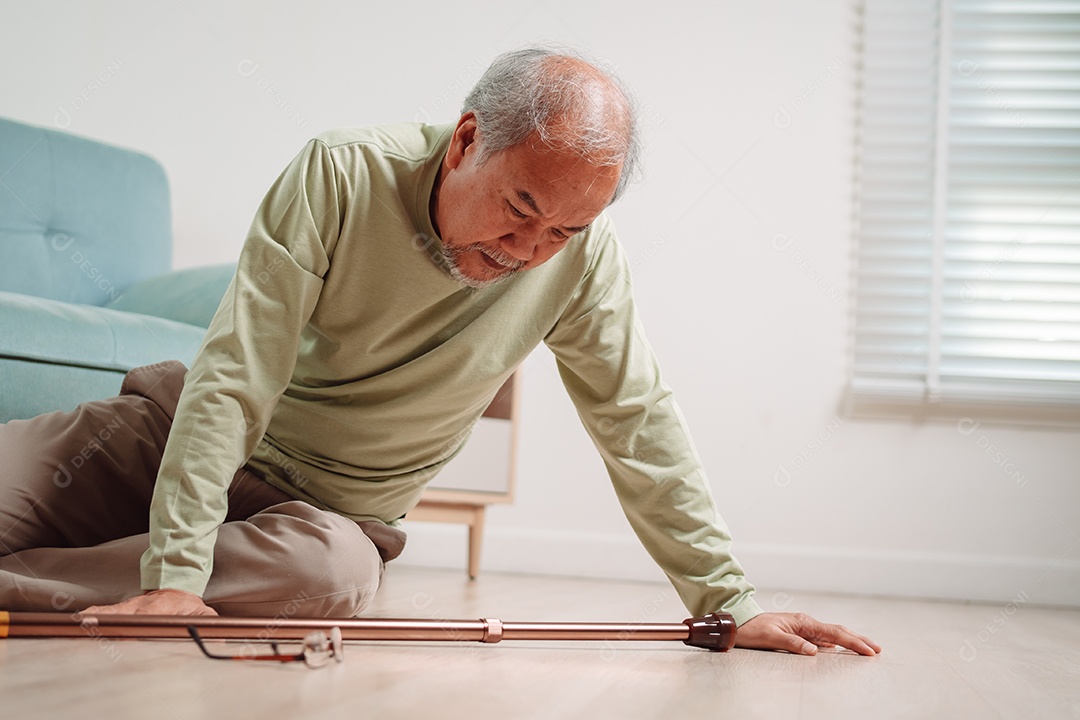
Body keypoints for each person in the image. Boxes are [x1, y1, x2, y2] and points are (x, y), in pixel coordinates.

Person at [0, 46, 880, 656]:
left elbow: (638, 426)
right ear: (466, 141)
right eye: (520, 208)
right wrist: (183, 560)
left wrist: (727, 606)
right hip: (164, 435)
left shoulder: (581, 267)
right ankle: (149, 572)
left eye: (566, 230)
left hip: (323, 522)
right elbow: (234, 376)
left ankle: (64, 589)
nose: (531, 249)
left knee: (329, 577)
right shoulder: (340, 175)